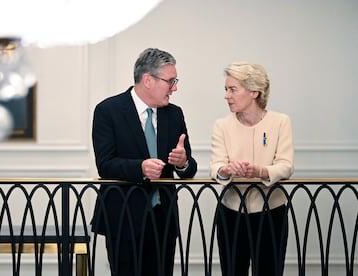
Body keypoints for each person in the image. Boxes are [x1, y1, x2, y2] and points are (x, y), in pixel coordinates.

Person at [91, 48, 198, 276]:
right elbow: (105, 164)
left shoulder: (174, 114)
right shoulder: (107, 111)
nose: (175, 88)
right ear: (148, 80)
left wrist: (182, 162)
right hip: (123, 218)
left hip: (163, 220)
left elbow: (188, 170)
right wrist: (140, 168)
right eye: (171, 81)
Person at [209, 62, 294, 276]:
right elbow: (216, 166)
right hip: (231, 214)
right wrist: (226, 170)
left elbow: (286, 165)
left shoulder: (280, 122)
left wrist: (261, 171)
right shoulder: (222, 125)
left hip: (271, 213)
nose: (227, 96)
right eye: (226, 89)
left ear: (254, 91)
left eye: (233, 89)